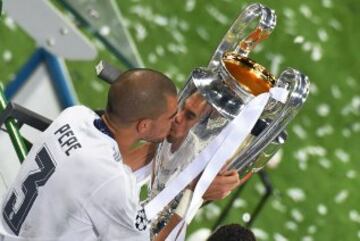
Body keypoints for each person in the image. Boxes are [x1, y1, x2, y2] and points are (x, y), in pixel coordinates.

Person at [0, 68, 241, 241]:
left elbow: (106, 173)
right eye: (170, 116)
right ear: (144, 126)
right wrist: (195, 193)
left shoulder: (75, 116)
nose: (176, 119)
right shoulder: (112, 186)